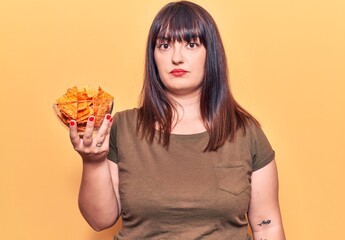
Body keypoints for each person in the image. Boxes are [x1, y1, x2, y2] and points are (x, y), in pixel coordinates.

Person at [69, 1, 286, 239]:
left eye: (191, 44)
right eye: (164, 45)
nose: (176, 57)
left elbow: (267, 225)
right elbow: (100, 220)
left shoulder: (245, 132)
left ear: (210, 54)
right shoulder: (123, 127)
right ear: (153, 57)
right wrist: (93, 162)